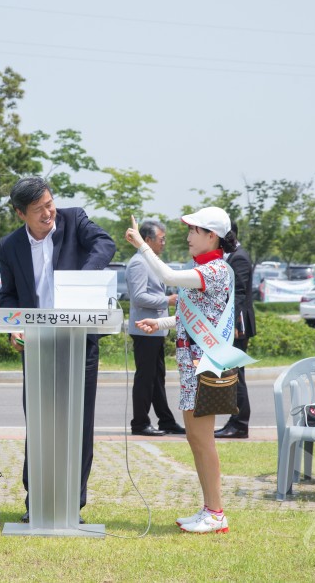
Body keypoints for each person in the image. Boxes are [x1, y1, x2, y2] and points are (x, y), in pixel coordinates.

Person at [0, 176, 115, 520]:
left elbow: (105, 245)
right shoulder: (9, 246)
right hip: (37, 345)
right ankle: (36, 501)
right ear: (21, 214)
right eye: (38, 210)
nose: (48, 213)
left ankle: (71, 503)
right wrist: (13, 326)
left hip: (80, 342)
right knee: (38, 422)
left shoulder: (75, 218)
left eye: (49, 204)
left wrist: (80, 280)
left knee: (79, 424)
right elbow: (8, 295)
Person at [126, 206, 237, 534]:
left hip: (208, 366)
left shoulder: (215, 270)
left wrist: (141, 245)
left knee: (204, 441)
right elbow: (187, 315)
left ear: (211, 236)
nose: (188, 237)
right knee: (194, 437)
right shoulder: (203, 268)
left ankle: (216, 512)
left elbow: (168, 278)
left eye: (194, 231)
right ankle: (208, 509)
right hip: (194, 367)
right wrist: (158, 322)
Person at [126, 219, 184, 436]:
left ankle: (166, 420)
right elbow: (139, 297)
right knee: (146, 378)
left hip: (155, 329)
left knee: (157, 377)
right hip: (145, 329)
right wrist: (167, 300)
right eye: (161, 239)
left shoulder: (152, 261)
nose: (164, 243)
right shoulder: (139, 263)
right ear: (147, 240)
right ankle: (140, 423)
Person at [216, 221, 256, 440]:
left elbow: (239, 294)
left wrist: (235, 326)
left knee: (235, 374)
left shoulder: (238, 257)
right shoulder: (233, 255)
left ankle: (239, 423)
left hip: (237, 325)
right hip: (234, 323)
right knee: (233, 373)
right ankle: (235, 421)